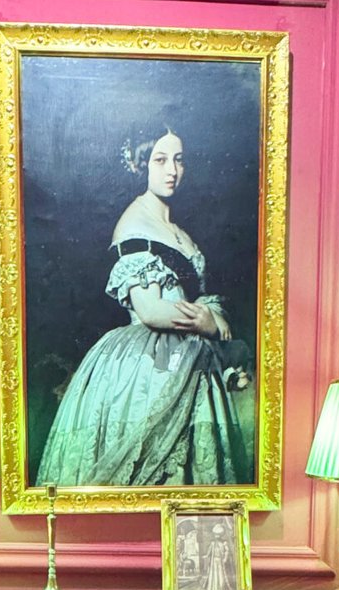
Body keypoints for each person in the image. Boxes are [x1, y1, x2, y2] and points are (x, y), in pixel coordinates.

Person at [36, 123, 250, 487]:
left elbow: (195, 294)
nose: (172, 170)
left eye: (178, 160)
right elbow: (150, 310)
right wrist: (208, 323)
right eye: (160, 160)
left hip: (189, 353)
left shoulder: (176, 229)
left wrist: (213, 315)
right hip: (148, 362)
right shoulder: (135, 224)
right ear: (140, 165)